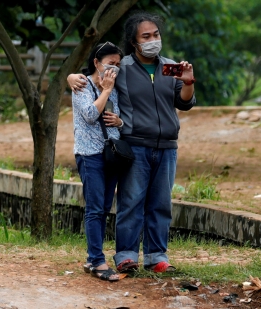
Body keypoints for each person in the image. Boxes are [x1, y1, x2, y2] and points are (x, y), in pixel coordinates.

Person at [68, 13, 196, 273]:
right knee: (131, 201)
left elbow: (184, 102)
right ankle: (126, 255)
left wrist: (189, 81)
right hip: (134, 145)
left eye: (156, 35)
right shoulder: (122, 67)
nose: (152, 40)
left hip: (167, 146)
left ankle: (156, 257)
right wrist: (70, 77)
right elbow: (93, 74)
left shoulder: (169, 67)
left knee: (160, 203)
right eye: (145, 36)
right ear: (134, 41)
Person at [73, 42, 124, 282]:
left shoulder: (114, 88)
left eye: (117, 64)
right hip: (89, 155)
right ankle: (98, 260)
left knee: (104, 207)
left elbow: (118, 116)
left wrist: (120, 122)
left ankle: (92, 259)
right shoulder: (81, 85)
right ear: (96, 62)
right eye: (110, 64)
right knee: (94, 209)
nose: (114, 69)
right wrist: (104, 90)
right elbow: (91, 115)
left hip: (110, 154)